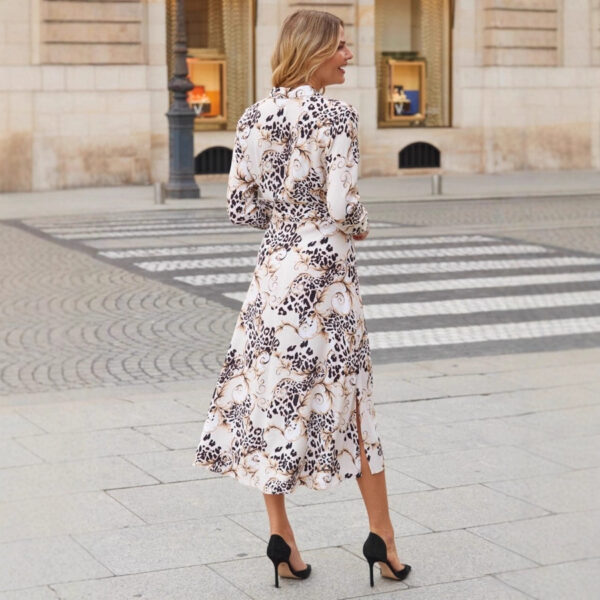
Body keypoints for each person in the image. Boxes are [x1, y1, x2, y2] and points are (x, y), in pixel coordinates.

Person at [193, 8, 411, 589]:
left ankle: (281, 537)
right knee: (354, 402)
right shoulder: (337, 115)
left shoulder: (252, 116)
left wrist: (286, 219)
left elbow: (239, 206)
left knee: (273, 397)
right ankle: (383, 538)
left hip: (273, 275)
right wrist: (359, 225)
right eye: (340, 46)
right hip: (325, 280)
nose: (348, 55)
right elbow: (342, 205)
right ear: (313, 51)